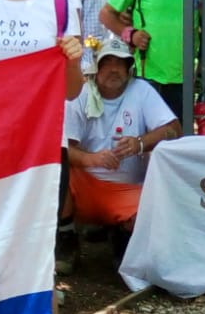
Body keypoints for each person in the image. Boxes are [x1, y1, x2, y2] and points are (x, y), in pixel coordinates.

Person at [63, 36, 180, 262]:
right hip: (84, 184)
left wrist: (140, 142)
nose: (114, 69)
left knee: (158, 207)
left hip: (127, 189)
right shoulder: (80, 92)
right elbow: (63, 148)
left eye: (121, 63)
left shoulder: (141, 90)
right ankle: (66, 238)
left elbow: (174, 129)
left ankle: (122, 233)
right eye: (108, 62)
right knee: (55, 172)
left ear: (129, 69)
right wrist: (92, 159)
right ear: (97, 67)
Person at [100, 0, 193, 126]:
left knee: (180, 138)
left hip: (186, 80)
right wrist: (130, 34)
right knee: (146, 137)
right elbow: (106, 14)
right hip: (146, 78)